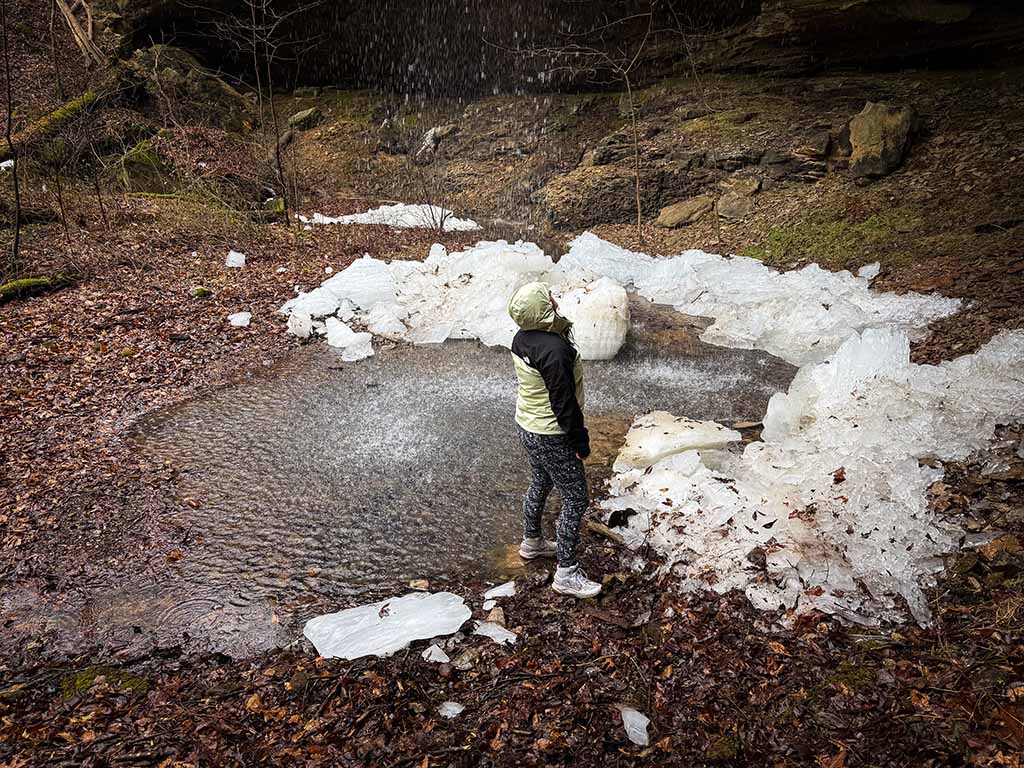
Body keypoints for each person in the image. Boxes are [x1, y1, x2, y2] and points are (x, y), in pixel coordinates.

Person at [507, 282, 602, 598]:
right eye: (548, 298)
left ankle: (532, 542)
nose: (555, 300)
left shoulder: (524, 337)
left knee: (541, 482)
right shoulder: (554, 350)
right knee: (576, 498)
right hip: (551, 433)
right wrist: (580, 443)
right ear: (540, 310)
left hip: (528, 426)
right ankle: (567, 573)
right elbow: (564, 404)